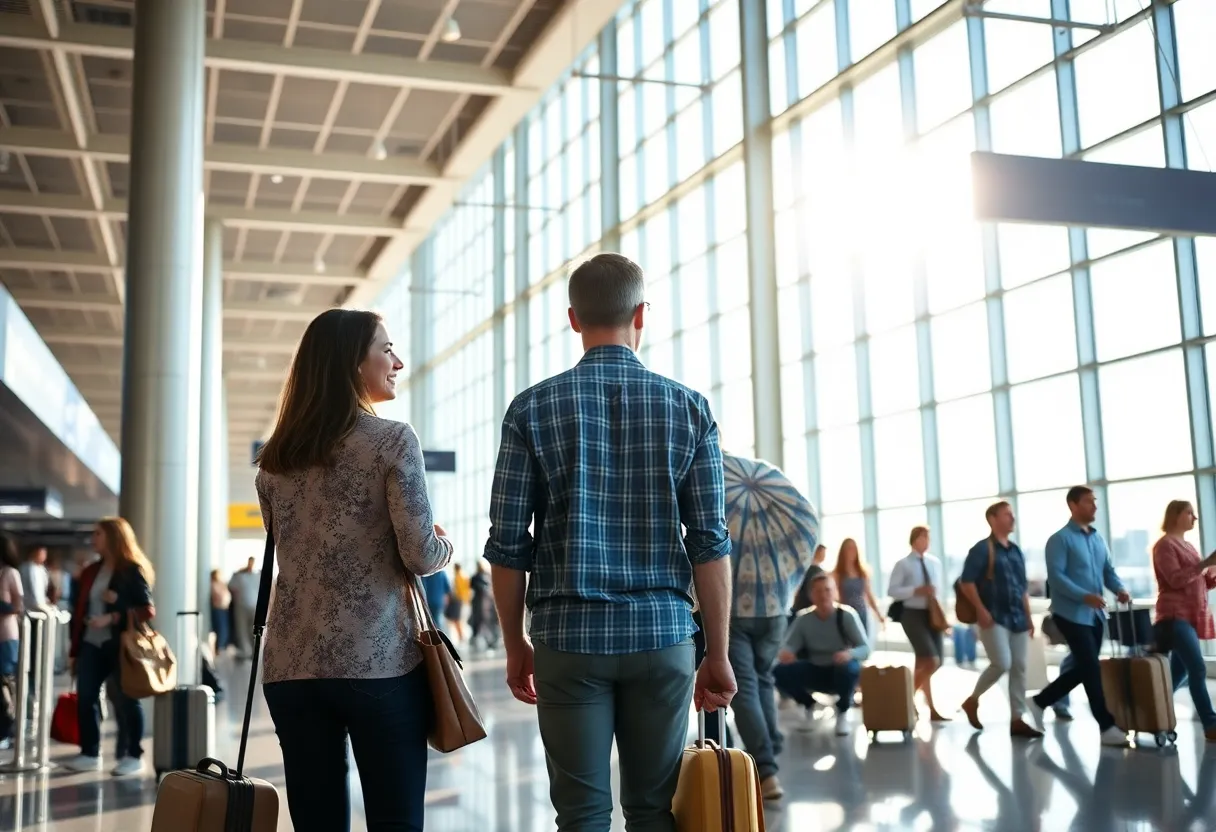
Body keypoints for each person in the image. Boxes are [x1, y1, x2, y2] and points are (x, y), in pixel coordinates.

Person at [484, 253, 737, 831]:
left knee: (581, 813)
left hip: (567, 640)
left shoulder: (531, 408)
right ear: (642, 314)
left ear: (573, 318)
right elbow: (709, 542)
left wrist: (514, 642)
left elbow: (506, 544)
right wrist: (717, 653)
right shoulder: (689, 408)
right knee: (653, 811)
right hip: (663, 636)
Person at [255, 308, 453, 831]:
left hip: (292, 667)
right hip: (378, 662)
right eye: (386, 349)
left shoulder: (275, 461)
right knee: (396, 822)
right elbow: (419, 556)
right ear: (351, 361)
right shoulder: (391, 440)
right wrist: (444, 545)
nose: (398, 361)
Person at [718, 452, 817, 802]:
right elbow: (809, 524)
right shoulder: (768, 479)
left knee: (744, 684)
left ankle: (765, 770)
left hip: (734, 609)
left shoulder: (718, 484)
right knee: (762, 679)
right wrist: (790, 582)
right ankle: (769, 748)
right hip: (776, 607)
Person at [1026, 486, 1130, 746]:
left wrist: (1119, 589)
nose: (1094, 506)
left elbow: (1108, 571)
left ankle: (1040, 701)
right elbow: (1057, 579)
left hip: (1095, 616)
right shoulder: (1059, 540)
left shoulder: (1097, 539)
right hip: (1069, 614)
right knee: (1090, 668)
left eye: (1095, 501)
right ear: (1073, 505)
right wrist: (1085, 596)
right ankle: (1106, 727)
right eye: (1088, 502)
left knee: (1086, 667)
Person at [65, 517, 155, 776]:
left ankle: (133, 754)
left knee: (127, 700)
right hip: (91, 643)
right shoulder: (92, 571)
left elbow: (147, 610)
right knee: (86, 698)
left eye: (98, 534)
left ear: (114, 537)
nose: (93, 539)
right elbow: (79, 608)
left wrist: (115, 610)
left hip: (118, 644)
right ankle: (90, 752)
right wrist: (75, 650)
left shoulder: (130, 569)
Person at [957, 501, 1042, 738]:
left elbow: (1022, 588)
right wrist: (981, 610)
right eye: (1007, 515)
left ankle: (1017, 718)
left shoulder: (1015, 551)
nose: (1012, 519)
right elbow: (966, 582)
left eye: (1012, 514)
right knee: (1002, 663)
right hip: (994, 617)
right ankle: (972, 700)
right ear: (993, 519)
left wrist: (1029, 617)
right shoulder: (982, 549)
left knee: (1020, 667)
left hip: (1018, 617)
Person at [773, 573, 870, 736]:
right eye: (818, 591)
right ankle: (808, 705)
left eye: (827, 590)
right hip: (815, 669)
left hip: (840, 669)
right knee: (778, 671)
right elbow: (789, 645)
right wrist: (786, 654)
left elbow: (865, 649)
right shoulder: (803, 619)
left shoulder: (847, 615)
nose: (823, 595)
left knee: (848, 668)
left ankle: (843, 711)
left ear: (835, 592)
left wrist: (849, 653)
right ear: (811, 595)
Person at [1152, 500, 1216, 742]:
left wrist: (1211, 571)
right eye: (1190, 513)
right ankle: (1211, 724)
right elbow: (1176, 580)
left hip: (1189, 617)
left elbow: (1200, 581)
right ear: (1176, 515)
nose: (1194, 518)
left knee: (1178, 674)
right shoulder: (1164, 546)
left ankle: (1153, 707)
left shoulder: (1188, 546)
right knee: (1197, 668)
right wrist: (1204, 564)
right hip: (1173, 617)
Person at [888, 526, 949, 722]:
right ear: (914, 539)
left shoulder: (935, 563)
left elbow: (939, 590)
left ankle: (930, 709)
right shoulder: (903, 564)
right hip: (911, 614)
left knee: (928, 661)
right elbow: (893, 591)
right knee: (932, 660)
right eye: (923, 537)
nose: (926, 540)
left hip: (932, 614)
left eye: (928, 537)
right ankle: (904, 698)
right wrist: (916, 590)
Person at [830, 538, 884, 638]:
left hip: (861, 612)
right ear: (843, 552)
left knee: (862, 642)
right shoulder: (837, 573)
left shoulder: (862, 572)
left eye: (854, 548)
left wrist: (879, 615)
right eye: (849, 548)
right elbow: (833, 595)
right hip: (845, 614)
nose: (852, 551)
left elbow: (869, 594)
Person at [0, 534, 23, 750]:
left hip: (6, 637)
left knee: (4, 685)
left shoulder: (10, 573)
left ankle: (6, 731)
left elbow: (19, 605)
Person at [227, 557, 259, 659]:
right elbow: (231, 587)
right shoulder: (239, 575)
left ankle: (254, 651)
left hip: (255, 606)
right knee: (242, 630)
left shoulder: (258, 575)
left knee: (254, 630)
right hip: (242, 605)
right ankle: (246, 651)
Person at [792, 544, 828, 616]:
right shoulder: (816, 571)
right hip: (809, 605)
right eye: (823, 553)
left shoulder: (805, 568)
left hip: (800, 605)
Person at [446, 563, 470, 641]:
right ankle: (461, 636)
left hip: (457, 600)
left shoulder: (457, 576)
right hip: (463, 599)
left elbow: (456, 590)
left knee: (456, 619)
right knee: (458, 619)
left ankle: (461, 637)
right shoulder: (465, 575)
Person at [209, 569, 231, 654]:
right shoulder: (213, 584)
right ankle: (219, 648)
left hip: (224, 609)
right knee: (221, 629)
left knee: (224, 629)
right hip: (218, 609)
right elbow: (218, 595)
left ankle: (221, 647)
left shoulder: (221, 584)